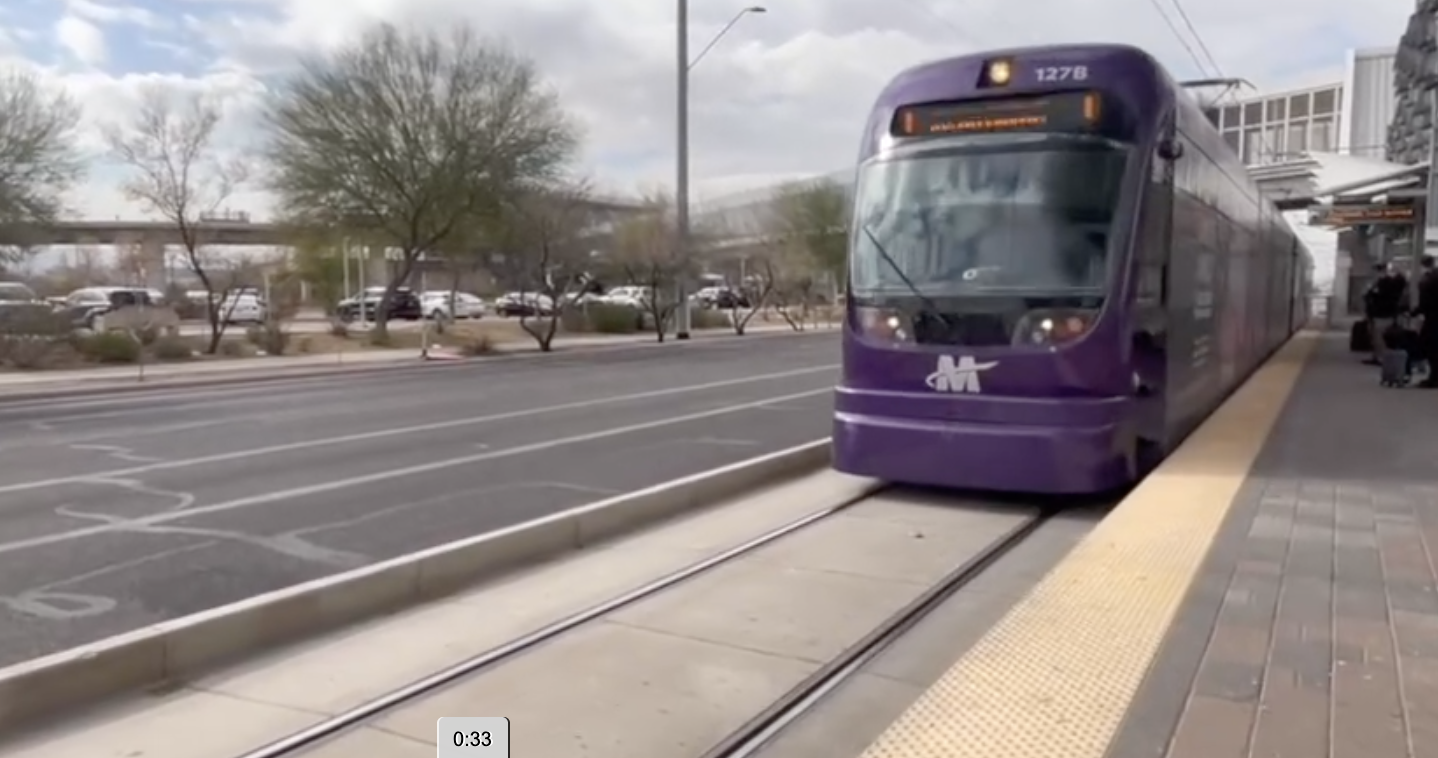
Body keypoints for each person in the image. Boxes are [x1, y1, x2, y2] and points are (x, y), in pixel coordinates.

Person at [1363, 262, 1408, 365]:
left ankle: (1382, 358)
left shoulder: (1387, 283)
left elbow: (1376, 295)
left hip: (1383, 313)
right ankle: (1378, 356)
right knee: (1375, 335)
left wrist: (1371, 291)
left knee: (1379, 336)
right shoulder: (1384, 282)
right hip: (1378, 312)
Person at [1414, 255, 1438, 388]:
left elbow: (1427, 301)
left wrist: (1415, 312)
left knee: (1430, 347)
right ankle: (1434, 376)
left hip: (1433, 318)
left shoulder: (1430, 279)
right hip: (1432, 316)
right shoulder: (1433, 276)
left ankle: (1434, 377)